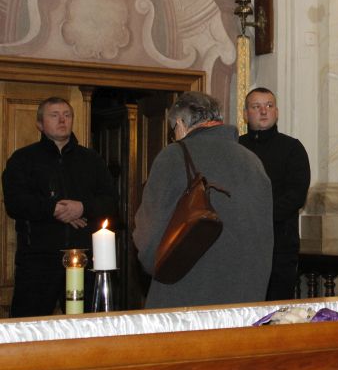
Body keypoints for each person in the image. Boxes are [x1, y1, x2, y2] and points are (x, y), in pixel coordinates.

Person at [133, 91, 273, 308]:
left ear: (181, 124)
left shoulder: (173, 156)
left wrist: (153, 265)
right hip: (245, 298)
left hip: (185, 296)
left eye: (173, 130)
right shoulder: (252, 161)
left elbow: (149, 237)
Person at [2, 97, 117, 317]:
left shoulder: (91, 159)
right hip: (37, 261)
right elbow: (15, 203)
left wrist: (82, 207)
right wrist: (54, 209)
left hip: (84, 258)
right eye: (54, 115)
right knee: (30, 326)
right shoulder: (22, 159)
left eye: (67, 115)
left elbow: (111, 201)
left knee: (86, 325)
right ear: (40, 124)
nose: (62, 120)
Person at [239, 87, 310, 300]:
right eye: (256, 106)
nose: (263, 111)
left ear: (276, 112)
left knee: (276, 307)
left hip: (279, 246)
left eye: (269, 106)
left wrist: (259, 216)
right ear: (245, 114)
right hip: (241, 245)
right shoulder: (235, 148)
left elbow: (296, 195)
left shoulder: (292, 148)